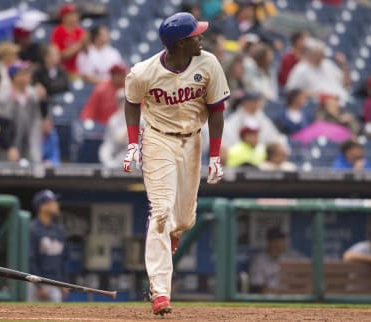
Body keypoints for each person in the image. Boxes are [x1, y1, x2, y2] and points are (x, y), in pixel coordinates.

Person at [123, 13, 230, 315]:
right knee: (160, 212)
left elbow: (216, 110)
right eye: (196, 34)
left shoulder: (208, 64)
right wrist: (133, 143)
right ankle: (160, 292)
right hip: (158, 140)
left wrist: (216, 155)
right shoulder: (143, 72)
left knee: (183, 219)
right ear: (182, 43)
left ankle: (172, 236)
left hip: (193, 140)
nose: (202, 37)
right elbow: (131, 102)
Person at [0, 61, 44, 162]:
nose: (27, 76)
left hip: (29, 145)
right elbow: (1, 126)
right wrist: (9, 147)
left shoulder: (33, 95)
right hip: (8, 149)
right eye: (22, 73)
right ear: (14, 77)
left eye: (27, 73)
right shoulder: (3, 98)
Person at [28, 190, 68, 302]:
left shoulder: (59, 231)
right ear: (42, 206)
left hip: (55, 284)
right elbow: (30, 260)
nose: (57, 204)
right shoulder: (32, 229)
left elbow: (64, 260)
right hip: (35, 285)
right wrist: (38, 286)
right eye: (53, 202)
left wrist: (64, 283)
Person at [286, 38, 351, 105]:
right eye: (319, 53)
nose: (322, 56)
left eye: (322, 54)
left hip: (342, 101)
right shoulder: (300, 69)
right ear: (311, 53)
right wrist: (316, 94)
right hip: (319, 106)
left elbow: (347, 84)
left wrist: (343, 65)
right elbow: (291, 92)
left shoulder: (328, 64)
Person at [249, 227, 304, 294]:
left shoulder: (291, 257)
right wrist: (280, 293)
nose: (281, 243)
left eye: (282, 240)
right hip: (270, 298)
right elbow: (258, 288)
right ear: (270, 242)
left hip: (291, 295)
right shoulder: (259, 261)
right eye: (276, 241)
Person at [51, 4, 88, 75]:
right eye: (71, 14)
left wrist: (86, 43)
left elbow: (87, 53)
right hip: (63, 71)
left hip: (80, 70)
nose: (75, 16)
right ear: (64, 17)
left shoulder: (80, 31)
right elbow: (59, 56)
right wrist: (80, 44)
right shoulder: (58, 31)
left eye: (75, 14)